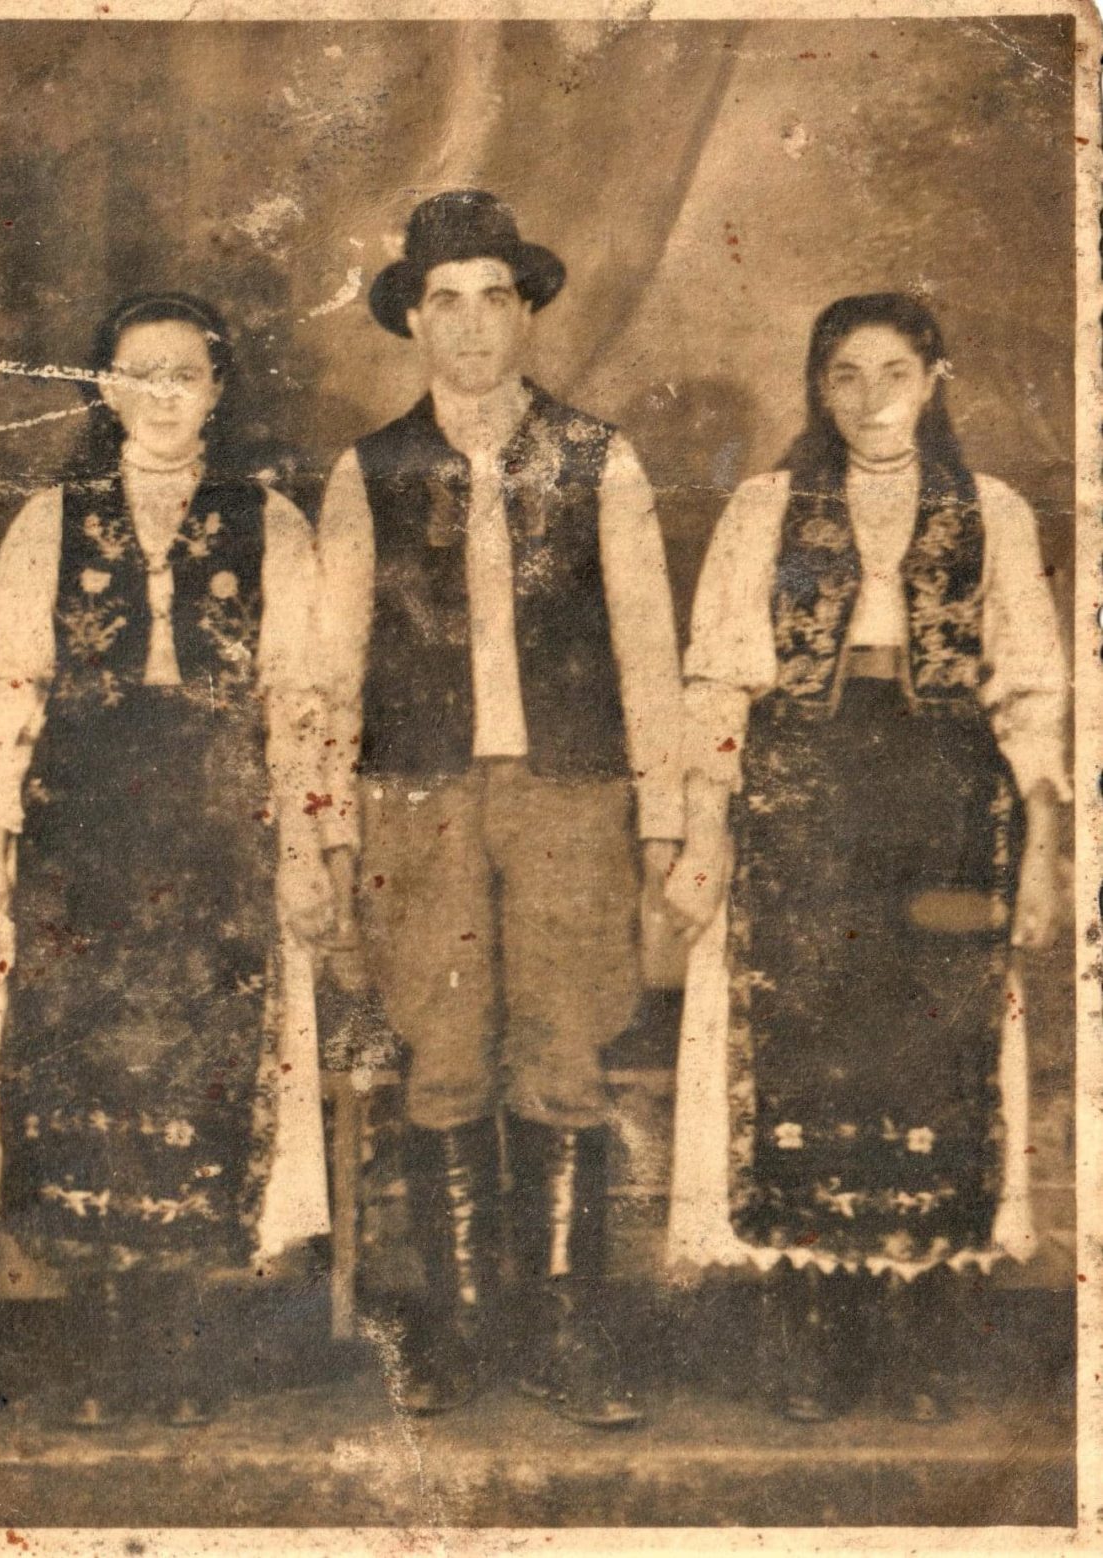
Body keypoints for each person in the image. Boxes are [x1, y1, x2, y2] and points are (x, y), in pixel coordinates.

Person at [664, 293, 1068, 1423]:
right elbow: (716, 684)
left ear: (934, 378)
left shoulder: (991, 511)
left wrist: (1043, 855)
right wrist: (706, 833)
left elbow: (1034, 695)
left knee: (933, 1052)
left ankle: (919, 1332)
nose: (871, 397)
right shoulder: (765, 507)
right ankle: (816, 1326)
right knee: (806, 1049)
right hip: (803, 809)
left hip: (950, 809)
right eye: (845, 375)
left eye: (895, 372)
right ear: (819, 387)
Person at [315, 190, 684, 1426]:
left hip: (571, 795)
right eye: (446, 302)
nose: (471, 325)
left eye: (494, 299)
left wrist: (664, 823)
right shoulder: (368, 472)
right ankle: (464, 1330)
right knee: (445, 1056)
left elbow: (648, 656)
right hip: (414, 798)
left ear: (526, 315)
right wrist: (331, 828)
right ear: (414, 322)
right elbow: (328, 673)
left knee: (564, 1052)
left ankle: (565, 1334)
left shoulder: (600, 459)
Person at [0, 293, 347, 1426]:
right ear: (105, 389)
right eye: (139, 373)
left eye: (185, 373)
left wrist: (305, 850)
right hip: (81, 838)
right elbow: (7, 703)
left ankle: (176, 1349)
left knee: (204, 1071)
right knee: (81, 1073)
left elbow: (302, 709)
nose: (162, 393)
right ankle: (98, 1345)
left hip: (220, 834)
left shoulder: (271, 523)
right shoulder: (51, 521)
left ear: (217, 390)